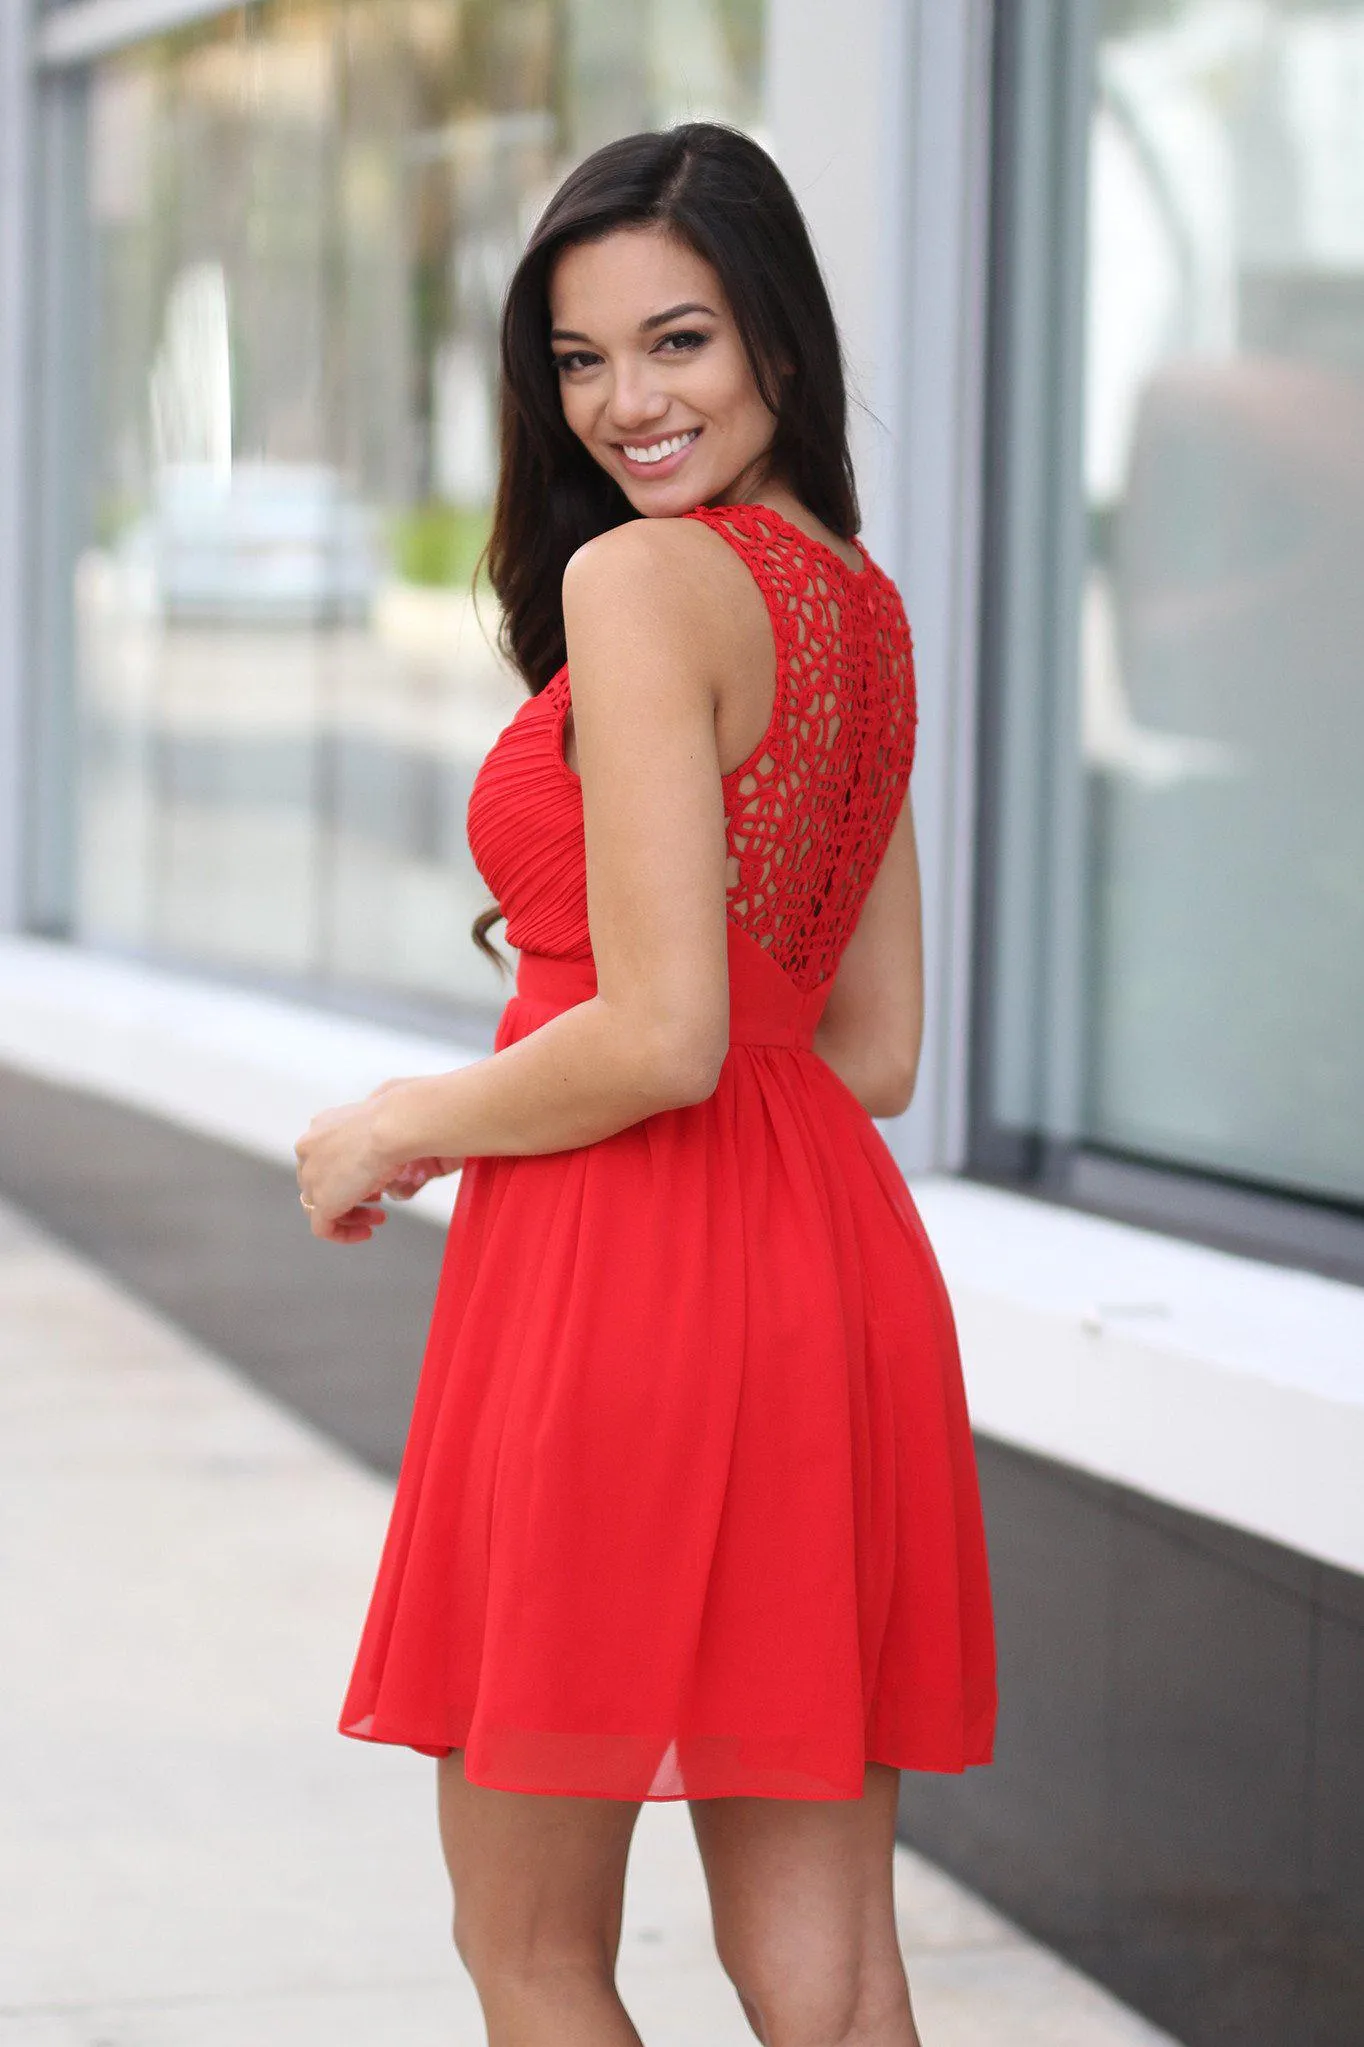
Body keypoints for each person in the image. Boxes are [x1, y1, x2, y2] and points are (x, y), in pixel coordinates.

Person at [294, 120, 995, 2047]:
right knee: (832, 1969)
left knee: (531, 1950)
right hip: (827, 1279)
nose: (625, 403)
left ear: (777, 334)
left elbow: (665, 1033)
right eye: (582, 359)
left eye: (676, 341)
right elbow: (871, 1053)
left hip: (627, 1282)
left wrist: (396, 1120)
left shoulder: (646, 583)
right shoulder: (860, 607)